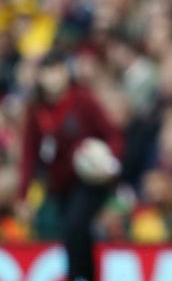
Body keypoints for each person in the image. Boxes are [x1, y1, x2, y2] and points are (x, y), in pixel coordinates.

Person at [16, 50, 124, 281]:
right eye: (47, 71)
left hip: (90, 182)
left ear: (66, 73)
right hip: (60, 186)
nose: (52, 77)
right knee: (74, 233)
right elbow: (29, 154)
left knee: (75, 225)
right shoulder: (37, 111)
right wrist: (23, 194)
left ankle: (79, 276)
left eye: (57, 70)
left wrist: (109, 160)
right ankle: (85, 275)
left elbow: (112, 134)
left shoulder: (83, 101)